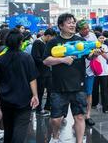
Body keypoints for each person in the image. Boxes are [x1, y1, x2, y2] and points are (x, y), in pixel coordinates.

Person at [44, 14, 100, 143]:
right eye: (69, 23)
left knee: (80, 116)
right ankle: (55, 136)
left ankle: (79, 141)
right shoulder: (53, 42)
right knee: (56, 119)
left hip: (79, 85)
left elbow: (89, 56)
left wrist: (94, 55)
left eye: (74, 22)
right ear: (60, 26)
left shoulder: (81, 40)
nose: (73, 25)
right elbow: (46, 61)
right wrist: (62, 60)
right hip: (59, 86)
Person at [0, 28, 39, 143]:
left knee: (9, 130)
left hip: (6, 100)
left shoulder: (1, 59)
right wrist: (35, 95)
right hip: (24, 100)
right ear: (20, 42)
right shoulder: (27, 58)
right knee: (20, 130)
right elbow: (32, 79)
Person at [76, 19, 98, 127]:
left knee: (89, 93)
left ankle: (88, 116)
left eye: (87, 27)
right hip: (77, 71)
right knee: (78, 94)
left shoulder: (92, 36)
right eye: (84, 29)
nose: (87, 30)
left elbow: (95, 48)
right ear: (79, 30)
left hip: (90, 70)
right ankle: (78, 116)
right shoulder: (75, 38)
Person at [31, 28, 57, 116]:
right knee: (40, 91)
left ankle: (47, 106)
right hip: (40, 71)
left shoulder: (47, 43)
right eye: (52, 38)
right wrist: (46, 62)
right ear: (48, 36)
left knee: (51, 89)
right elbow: (35, 58)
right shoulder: (37, 43)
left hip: (48, 71)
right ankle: (38, 109)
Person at [92, 33, 108, 113]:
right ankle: (94, 103)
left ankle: (106, 108)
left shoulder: (105, 46)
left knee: (104, 90)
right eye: (100, 38)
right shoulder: (92, 46)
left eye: (103, 38)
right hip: (95, 71)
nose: (102, 39)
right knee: (94, 89)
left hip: (105, 71)